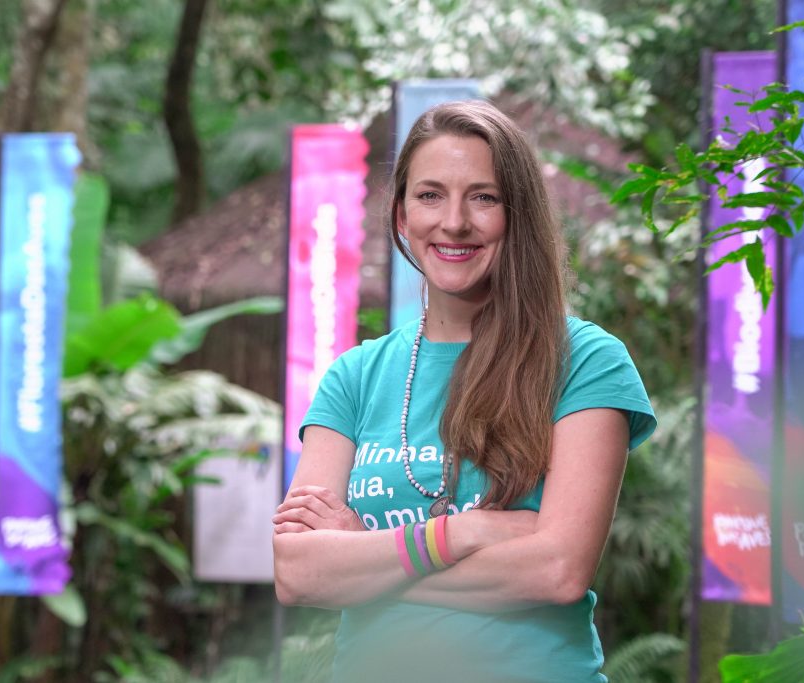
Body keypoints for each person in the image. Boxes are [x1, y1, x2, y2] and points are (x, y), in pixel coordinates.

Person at [272, 100, 656, 683]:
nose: (454, 222)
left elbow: (556, 571)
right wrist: (460, 533)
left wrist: (369, 558)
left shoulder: (585, 362)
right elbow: (299, 574)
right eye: (429, 195)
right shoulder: (354, 376)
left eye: (483, 197)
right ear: (401, 215)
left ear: (517, 214)